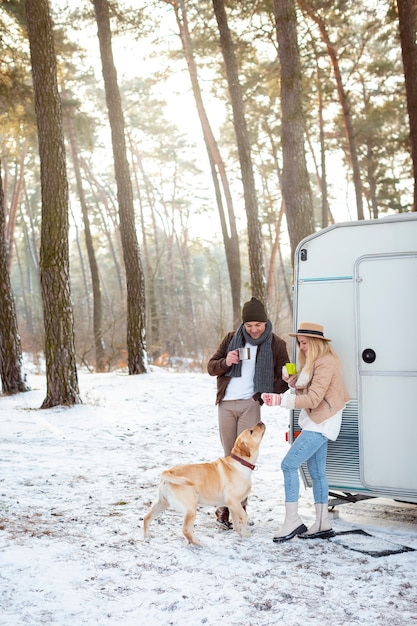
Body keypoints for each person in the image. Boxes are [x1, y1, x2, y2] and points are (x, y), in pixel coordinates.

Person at [262, 322, 349, 543]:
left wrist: (282, 400)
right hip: (318, 422)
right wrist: (293, 382)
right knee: (317, 473)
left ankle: (292, 520)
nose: (301, 347)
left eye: (304, 343)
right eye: (299, 343)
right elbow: (310, 390)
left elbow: (314, 399)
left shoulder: (325, 363)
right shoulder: (316, 362)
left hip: (321, 424)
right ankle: (322, 524)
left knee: (288, 465)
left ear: (316, 343)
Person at [207, 297, 289, 529]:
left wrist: (283, 380)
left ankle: (238, 510)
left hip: (250, 404)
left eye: (258, 325)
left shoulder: (276, 344)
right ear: (243, 325)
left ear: (265, 322)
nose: (253, 329)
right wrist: (225, 361)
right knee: (228, 457)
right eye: (249, 325)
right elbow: (211, 367)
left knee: (243, 460)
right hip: (226, 404)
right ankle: (225, 505)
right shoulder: (231, 339)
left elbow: (283, 381)